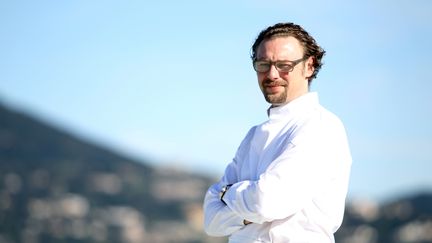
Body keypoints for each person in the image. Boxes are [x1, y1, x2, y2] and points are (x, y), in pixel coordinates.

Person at [203, 22, 352, 243]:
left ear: (309, 66)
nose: (272, 74)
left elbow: (266, 202)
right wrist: (250, 209)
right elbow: (212, 221)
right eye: (263, 64)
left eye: (284, 65)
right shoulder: (253, 136)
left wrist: (228, 193)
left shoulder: (321, 126)